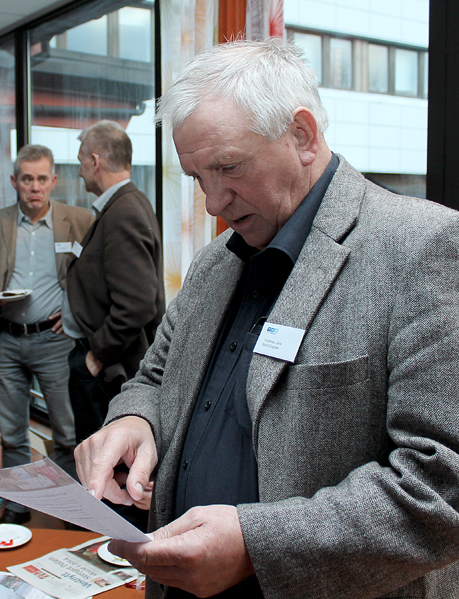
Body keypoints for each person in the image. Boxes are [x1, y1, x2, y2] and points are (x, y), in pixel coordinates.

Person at [75, 39, 459, 599]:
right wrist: (133, 421)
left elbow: (442, 484)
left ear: (302, 135)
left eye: (228, 168)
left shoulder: (422, 247)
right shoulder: (215, 261)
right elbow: (155, 378)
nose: (213, 203)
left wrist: (257, 544)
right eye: (198, 177)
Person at [0, 144, 94, 525]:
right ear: (14, 182)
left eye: (42, 179)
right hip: (7, 338)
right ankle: (19, 508)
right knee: (11, 435)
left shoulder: (80, 220)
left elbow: (91, 279)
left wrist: (73, 315)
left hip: (55, 342)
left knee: (67, 433)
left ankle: (68, 505)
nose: (34, 187)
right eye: (27, 179)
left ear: (54, 181)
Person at [64, 120, 164, 445]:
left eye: (81, 162)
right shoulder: (124, 205)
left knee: (103, 474)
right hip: (104, 363)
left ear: (95, 161)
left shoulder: (123, 211)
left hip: (109, 369)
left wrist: (98, 354)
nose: (79, 172)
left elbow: (137, 303)